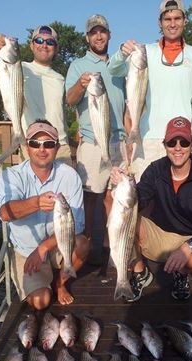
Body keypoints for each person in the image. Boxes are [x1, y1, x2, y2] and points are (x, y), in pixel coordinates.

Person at [110, 116, 192, 302]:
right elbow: (139, 198)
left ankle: (182, 273)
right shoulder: (156, 169)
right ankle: (140, 273)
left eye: (184, 142)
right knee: (123, 219)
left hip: (190, 239)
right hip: (158, 234)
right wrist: (124, 184)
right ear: (165, 145)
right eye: (172, 142)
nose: (177, 147)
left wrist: (189, 247)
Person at [108, 0, 192, 180]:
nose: (172, 23)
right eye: (167, 19)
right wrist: (122, 53)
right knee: (143, 197)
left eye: (177, 18)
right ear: (160, 22)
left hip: (181, 139)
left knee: (177, 199)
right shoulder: (145, 52)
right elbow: (113, 69)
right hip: (147, 137)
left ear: (185, 20)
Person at [0, 119, 90, 309]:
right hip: (26, 248)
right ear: (26, 147)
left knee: (82, 244)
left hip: (56, 244)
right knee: (41, 302)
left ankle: (60, 283)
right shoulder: (11, 175)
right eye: (35, 144)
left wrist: (43, 248)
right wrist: (36, 203)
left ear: (56, 148)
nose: (42, 149)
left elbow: (77, 226)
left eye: (48, 144)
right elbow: (4, 213)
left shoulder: (70, 175)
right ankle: (43, 281)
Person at [65, 14, 127, 248]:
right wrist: (80, 86)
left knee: (115, 195)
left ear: (109, 34)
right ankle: (88, 244)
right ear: (87, 37)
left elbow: (129, 106)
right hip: (92, 142)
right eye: (93, 32)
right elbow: (70, 100)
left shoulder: (120, 65)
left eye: (102, 31)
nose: (98, 36)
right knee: (89, 197)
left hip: (119, 141)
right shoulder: (77, 65)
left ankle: (111, 246)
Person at [0, 25, 72, 165]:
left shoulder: (60, 78)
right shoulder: (20, 67)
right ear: (31, 45)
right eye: (39, 40)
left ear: (56, 48)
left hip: (60, 145)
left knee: (63, 187)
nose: (44, 45)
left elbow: (61, 115)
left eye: (50, 42)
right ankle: (18, 137)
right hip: (32, 144)